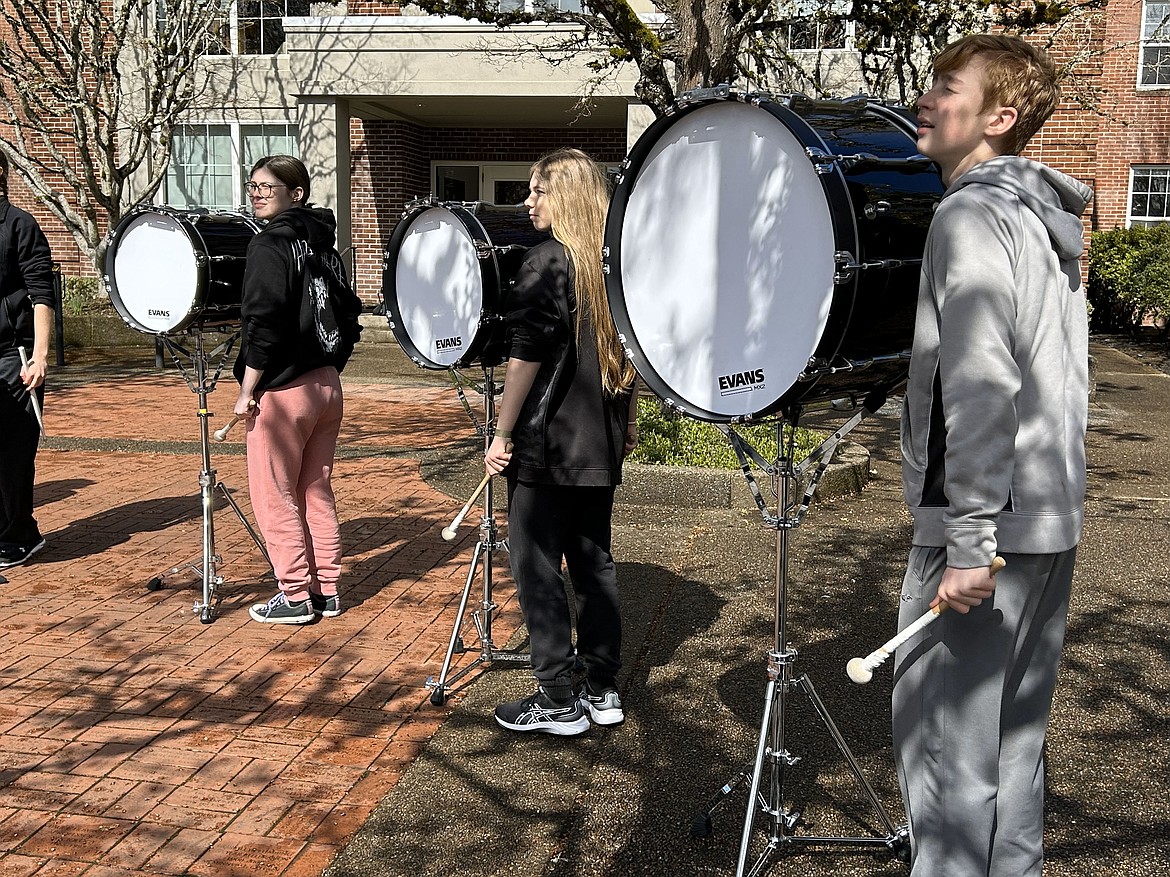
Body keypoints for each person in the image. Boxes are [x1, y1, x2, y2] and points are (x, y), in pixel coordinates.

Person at [892, 34, 1093, 877]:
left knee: (946, 759)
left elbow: (980, 384)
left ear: (998, 117)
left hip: (989, 531)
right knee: (1012, 750)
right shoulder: (1044, 221)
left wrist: (969, 542)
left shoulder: (969, 213)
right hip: (1046, 521)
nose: (924, 99)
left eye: (945, 87)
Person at [484, 148, 639, 735]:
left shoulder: (547, 261)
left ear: (565, 195)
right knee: (594, 564)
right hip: (598, 445)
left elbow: (524, 358)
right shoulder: (614, 265)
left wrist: (501, 433)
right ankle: (601, 688)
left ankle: (556, 697)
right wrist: (622, 431)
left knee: (537, 566)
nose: (528, 202)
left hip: (549, 447)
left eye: (537, 190)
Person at [234, 155, 350, 624]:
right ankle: (328, 588)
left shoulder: (270, 245)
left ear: (295, 193)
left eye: (268, 187)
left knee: (274, 494)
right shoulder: (324, 244)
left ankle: (296, 596)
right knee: (314, 490)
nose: (257, 193)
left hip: (283, 393)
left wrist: (247, 389)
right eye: (253, 185)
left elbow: (263, 322)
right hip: (325, 385)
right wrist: (330, 362)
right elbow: (349, 311)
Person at [0, 150, 54, 571]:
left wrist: (38, 356)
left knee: (13, 453)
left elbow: (42, 294)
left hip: (11, 355)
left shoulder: (19, 224)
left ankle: (19, 534)